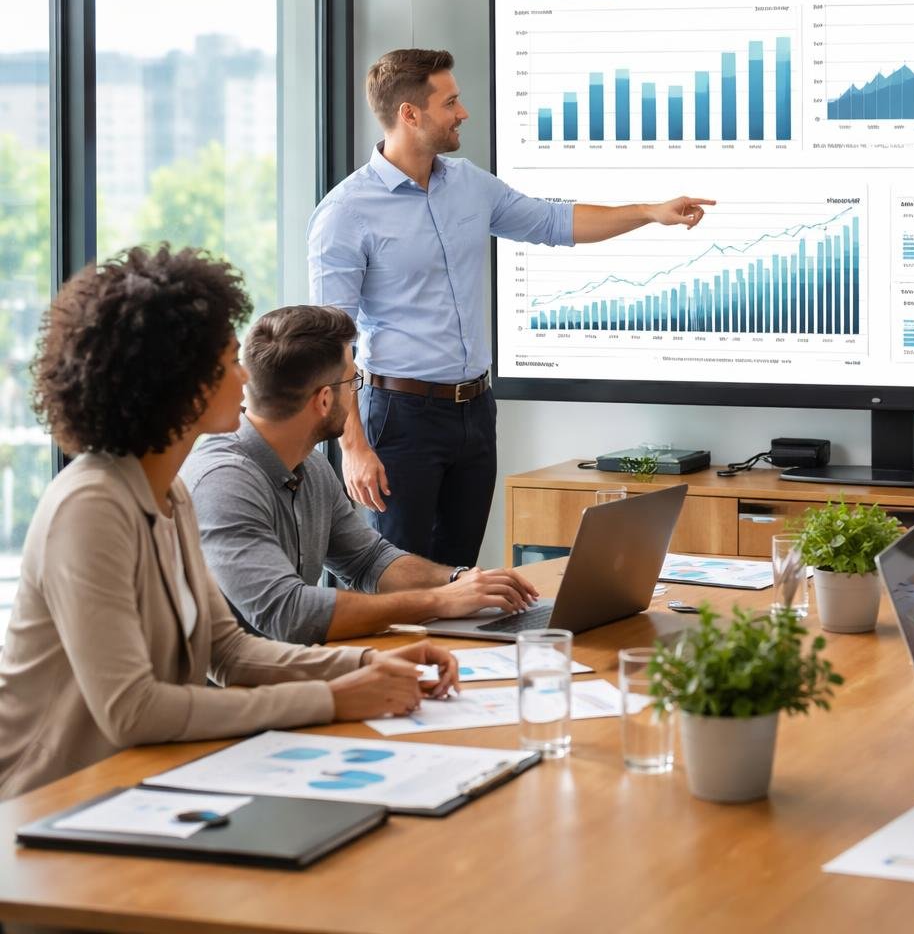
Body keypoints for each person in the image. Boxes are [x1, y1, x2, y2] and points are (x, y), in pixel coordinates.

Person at [0, 246, 459, 800]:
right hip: (49, 801)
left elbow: (230, 652)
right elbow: (133, 710)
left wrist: (361, 664)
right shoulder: (90, 507)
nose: (245, 378)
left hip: (141, 786)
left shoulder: (170, 493)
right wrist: (332, 698)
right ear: (178, 385)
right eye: (227, 363)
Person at [309, 47, 714, 564]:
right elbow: (329, 343)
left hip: (475, 413)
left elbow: (552, 222)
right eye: (450, 102)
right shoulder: (345, 212)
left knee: (460, 575)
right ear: (409, 114)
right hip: (399, 418)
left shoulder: (469, 184)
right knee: (398, 577)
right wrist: (353, 447)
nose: (463, 112)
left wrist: (649, 212)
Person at [182, 305, 541, 644]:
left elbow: (369, 560)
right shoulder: (224, 483)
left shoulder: (311, 467)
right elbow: (287, 613)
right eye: (354, 382)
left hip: (297, 667)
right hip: (238, 683)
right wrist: (438, 601)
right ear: (324, 400)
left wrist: (459, 580)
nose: (358, 392)